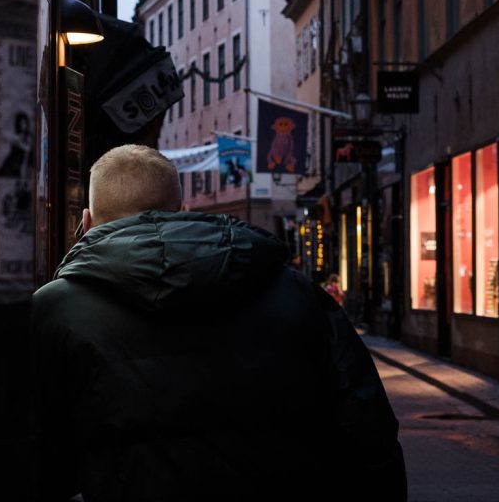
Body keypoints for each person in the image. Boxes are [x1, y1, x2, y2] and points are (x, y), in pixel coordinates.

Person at [32, 145, 407, 501]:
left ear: (86, 221)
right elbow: (366, 429)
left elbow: (31, 448)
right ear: (182, 211)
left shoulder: (55, 309)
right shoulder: (296, 292)